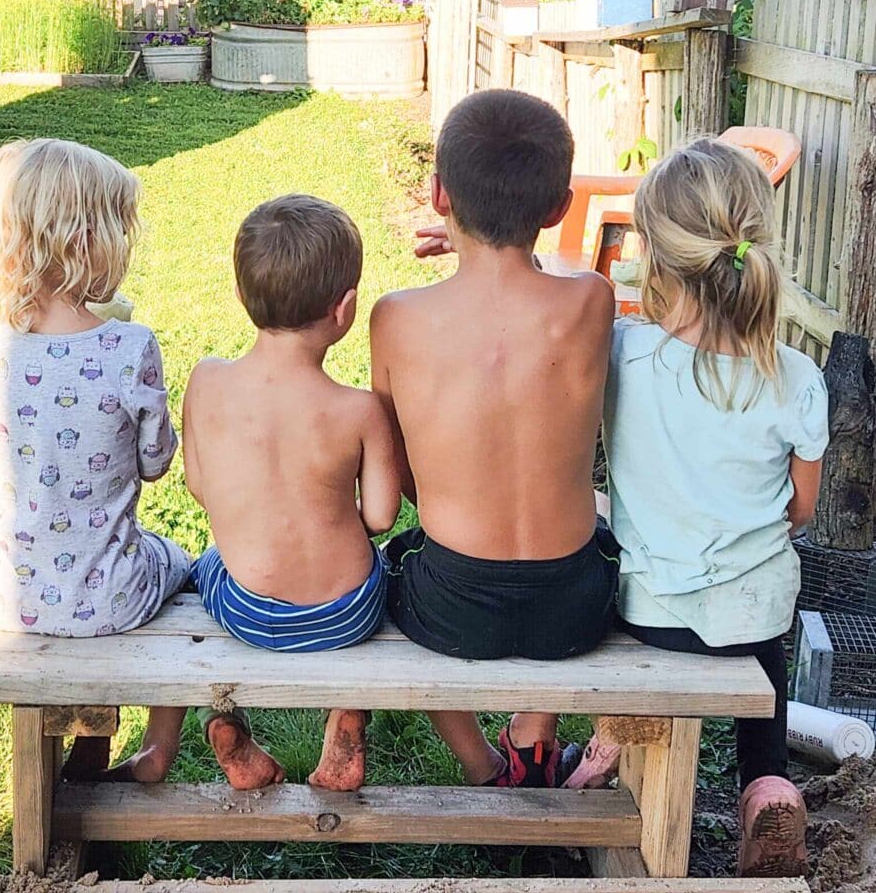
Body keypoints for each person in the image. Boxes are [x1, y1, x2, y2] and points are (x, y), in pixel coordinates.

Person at [569, 138, 828, 878]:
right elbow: (801, 509)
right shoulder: (796, 376)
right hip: (753, 619)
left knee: (612, 568)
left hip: (649, 614)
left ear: (651, 254)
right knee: (764, 648)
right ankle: (767, 784)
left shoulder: (623, 353)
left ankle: (607, 741)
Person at [371, 89, 619, 788]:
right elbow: (545, 282)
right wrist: (483, 240)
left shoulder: (396, 318)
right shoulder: (591, 301)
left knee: (388, 571)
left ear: (438, 194)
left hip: (450, 604)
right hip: (572, 606)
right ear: (559, 208)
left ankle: (483, 764)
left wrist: (465, 242)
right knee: (599, 525)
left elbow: (399, 467)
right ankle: (535, 731)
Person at [0, 138, 192, 782]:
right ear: (88, 242)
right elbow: (156, 462)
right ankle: (156, 744)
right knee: (187, 565)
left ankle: (88, 739)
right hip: (110, 596)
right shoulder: (129, 346)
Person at [181, 193, 401, 792]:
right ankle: (346, 715)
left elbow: (199, 486)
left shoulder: (207, 381)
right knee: (390, 567)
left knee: (200, 566)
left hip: (248, 609)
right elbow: (382, 516)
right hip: (349, 612)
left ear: (240, 294)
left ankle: (225, 725)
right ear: (345, 310)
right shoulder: (358, 409)